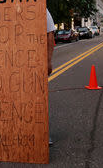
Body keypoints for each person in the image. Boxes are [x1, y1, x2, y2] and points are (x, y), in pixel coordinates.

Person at [46, 8, 56, 146]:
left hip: (32, 63)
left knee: (35, 99)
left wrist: (47, 61)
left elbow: (50, 35)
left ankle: (40, 132)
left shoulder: (39, 6)